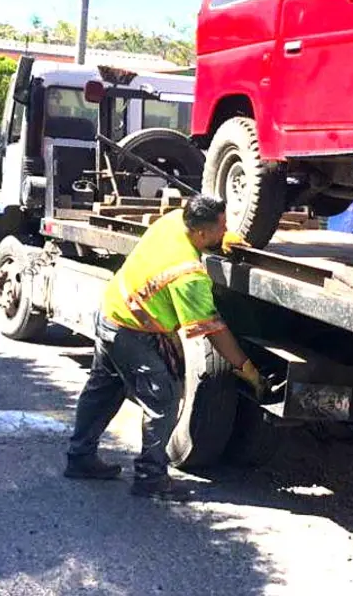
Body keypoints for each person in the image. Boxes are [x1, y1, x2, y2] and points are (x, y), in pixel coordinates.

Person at [64, 194, 265, 501]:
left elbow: (202, 227)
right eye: (221, 228)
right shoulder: (188, 275)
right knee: (163, 400)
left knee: (103, 387)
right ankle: (150, 477)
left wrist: (224, 239)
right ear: (201, 232)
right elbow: (212, 330)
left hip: (112, 311)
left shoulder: (174, 220)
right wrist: (246, 369)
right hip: (132, 331)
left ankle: (79, 457)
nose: (226, 231)